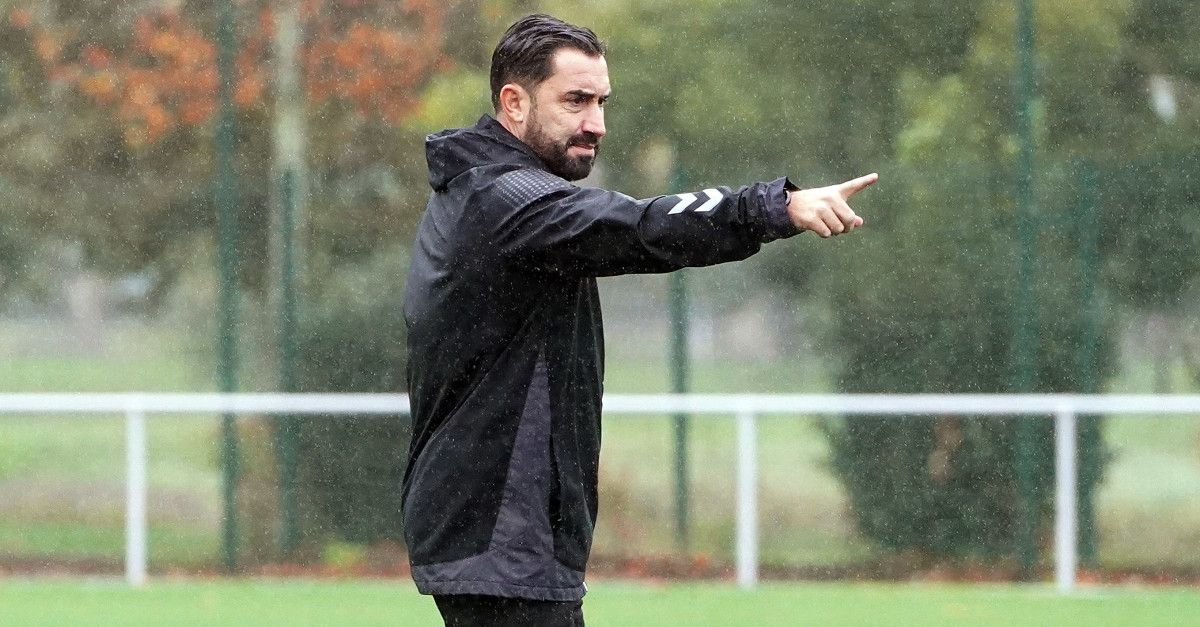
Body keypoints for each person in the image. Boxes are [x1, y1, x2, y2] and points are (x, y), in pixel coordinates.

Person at [402, 13, 877, 626]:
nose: (596, 123)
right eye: (575, 100)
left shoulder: (489, 196)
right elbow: (640, 226)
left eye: (601, 102)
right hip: (502, 535)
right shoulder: (506, 203)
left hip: (499, 537)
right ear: (513, 103)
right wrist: (775, 206)